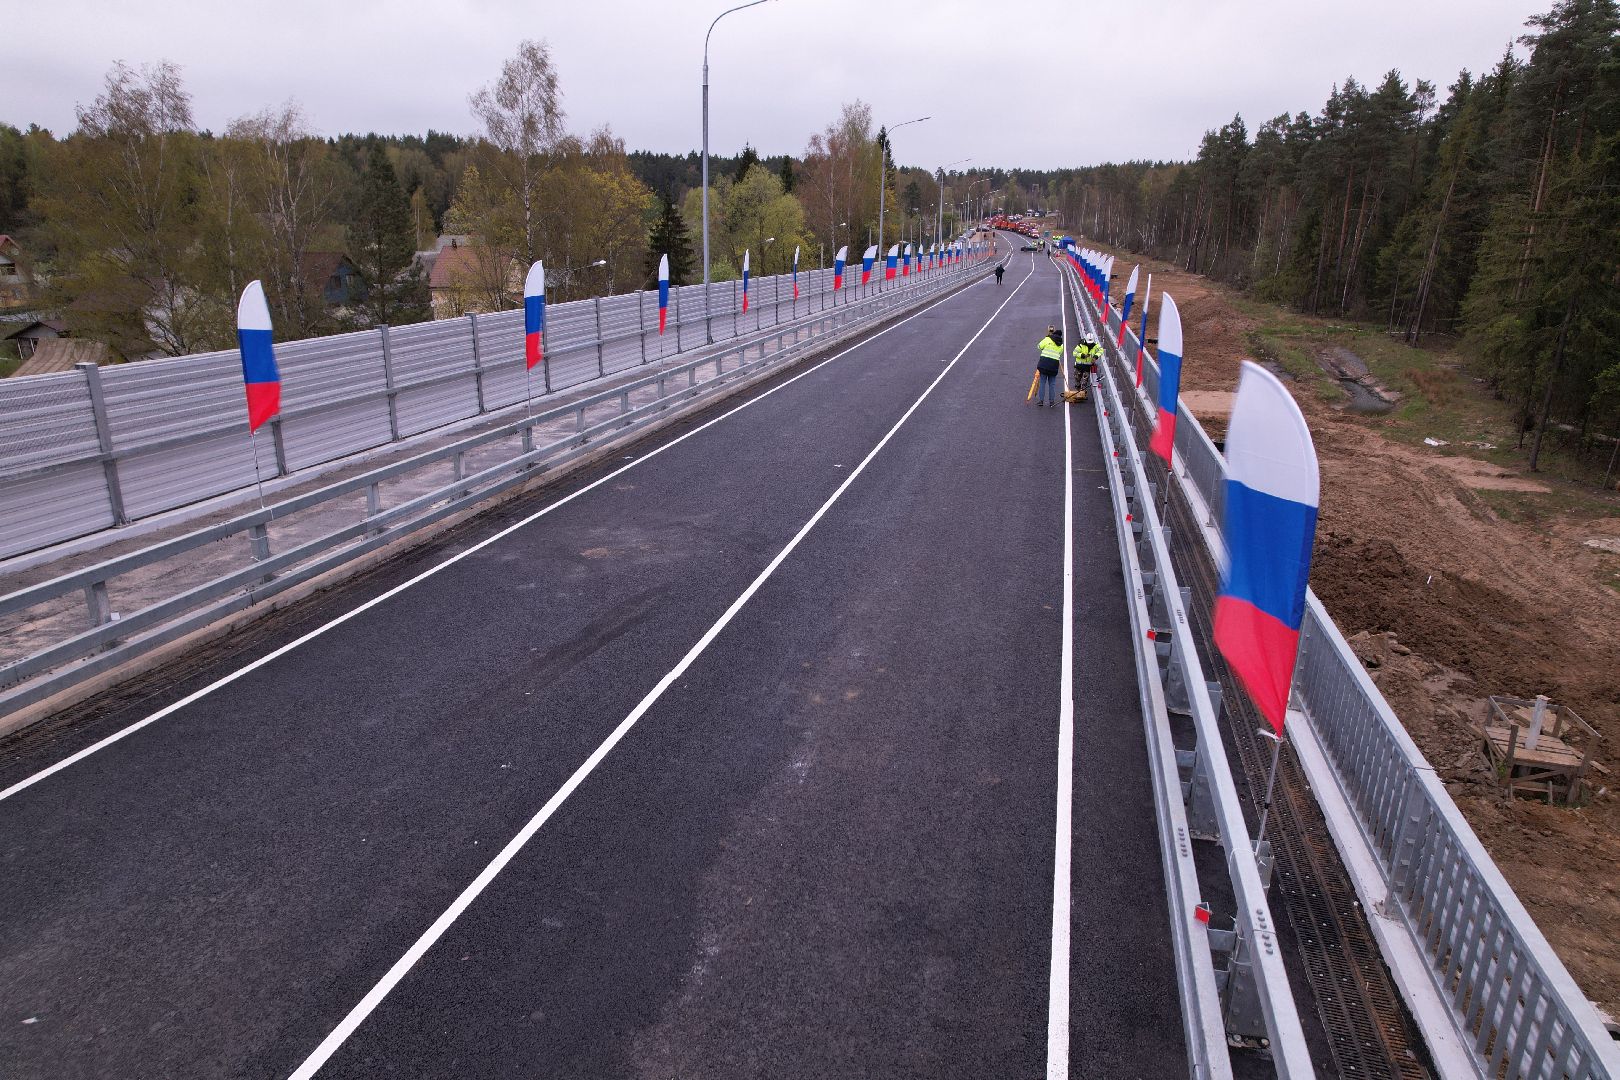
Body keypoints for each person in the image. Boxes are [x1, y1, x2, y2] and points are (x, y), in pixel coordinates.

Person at [1035, 326, 1063, 407]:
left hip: (1043, 364)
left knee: (1042, 383)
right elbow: (1060, 353)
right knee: (1052, 384)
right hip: (1053, 366)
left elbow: (1039, 346)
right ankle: (1051, 401)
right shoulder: (1061, 344)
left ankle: (1041, 401)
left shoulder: (1047, 339)